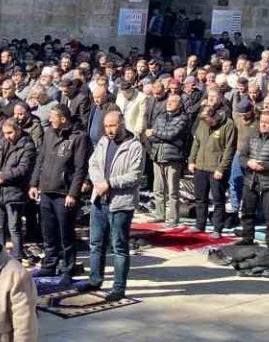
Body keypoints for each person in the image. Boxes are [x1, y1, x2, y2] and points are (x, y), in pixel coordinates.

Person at [83, 108, 143, 300]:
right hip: (99, 200)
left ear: (122, 124)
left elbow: (135, 175)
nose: (109, 130)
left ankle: (118, 288)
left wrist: (109, 183)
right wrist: (98, 182)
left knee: (119, 247)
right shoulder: (103, 142)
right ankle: (95, 279)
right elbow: (93, 164)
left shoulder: (134, 146)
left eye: (113, 125)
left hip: (121, 203)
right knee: (96, 243)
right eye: (106, 126)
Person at [30, 104, 89, 277]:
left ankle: (68, 266)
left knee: (66, 233)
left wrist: (73, 193)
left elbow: (80, 168)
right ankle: (49, 264)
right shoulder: (49, 133)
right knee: (48, 231)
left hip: (64, 193)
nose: (50, 120)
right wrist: (34, 183)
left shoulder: (79, 137)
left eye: (53, 117)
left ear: (63, 119)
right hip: (47, 189)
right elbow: (40, 159)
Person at [237, 108, 269, 249]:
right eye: (261, 122)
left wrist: (262, 166)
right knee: (247, 211)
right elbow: (242, 156)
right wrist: (248, 162)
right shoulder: (252, 136)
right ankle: (247, 238)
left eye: (267, 122)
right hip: (251, 180)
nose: (263, 125)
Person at [0, 117, 36, 258]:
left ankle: (17, 255)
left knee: (14, 228)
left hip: (15, 192)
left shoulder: (27, 146)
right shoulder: (2, 142)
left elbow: (23, 169)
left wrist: (3, 176)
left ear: (18, 130)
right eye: (5, 133)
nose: (7, 136)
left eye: (10, 133)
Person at [145, 87, 191, 226]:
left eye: (172, 101)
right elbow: (150, 137)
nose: (169, 104)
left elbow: (172, 135)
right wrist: (159, 135)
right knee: (158, 189)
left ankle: (173, 217)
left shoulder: (183, 119)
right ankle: (160, 214)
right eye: (168, 101)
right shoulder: (160, 116)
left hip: (173, 157)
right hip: (157, 155)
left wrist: (156, 133)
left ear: (179, 104)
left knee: (172, 190)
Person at [189, 103, 235, 235]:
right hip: (201, 166)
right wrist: (192, 160)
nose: (205, 122)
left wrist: (222, 168)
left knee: (218, 200)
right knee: (200, 198)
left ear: (214, 115)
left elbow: (229, 149)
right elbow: (196, 142)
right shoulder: (203, 123)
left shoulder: (228, 125)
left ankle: (217, 228)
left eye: (207, 119)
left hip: (216, 168)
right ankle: (200, 224)